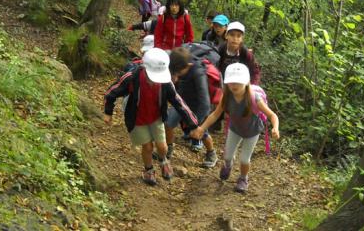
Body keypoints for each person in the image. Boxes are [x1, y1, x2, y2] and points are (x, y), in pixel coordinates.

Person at [104, 48, 199, 186]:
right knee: (147, 147)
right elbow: (112, 92)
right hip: (137, 119)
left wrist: (193, 124)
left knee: (162, 147)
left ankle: (163, 160)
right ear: (144, 67)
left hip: (156, 117)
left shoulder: (166, 82)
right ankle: (148, 170)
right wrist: (108, 112)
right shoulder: (132, 77)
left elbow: (179, 103)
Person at [191, 63, 279, 193]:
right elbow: (215, 114)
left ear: (246, 82)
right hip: (235, 129)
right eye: (231, 82)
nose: (234, 85)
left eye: (238, 82)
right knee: (227, 156)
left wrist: (275, 128)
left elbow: (272, 115)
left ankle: (243, 178)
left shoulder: (255, 98)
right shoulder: (226, 97)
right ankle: (228, 165)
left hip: (252, 131)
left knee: (244, 159)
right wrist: (201, 128)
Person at [164, 47, 218, 167]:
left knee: (202, 132)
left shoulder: (198, 73)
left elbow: (205, 102)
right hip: (182, 102)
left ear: (187, 65)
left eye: (178, 71)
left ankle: (211, 153)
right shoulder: (179, 67)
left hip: (198, 107)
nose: (176, 74)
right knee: (168, 123)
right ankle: (168, 149)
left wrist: (196, 124)